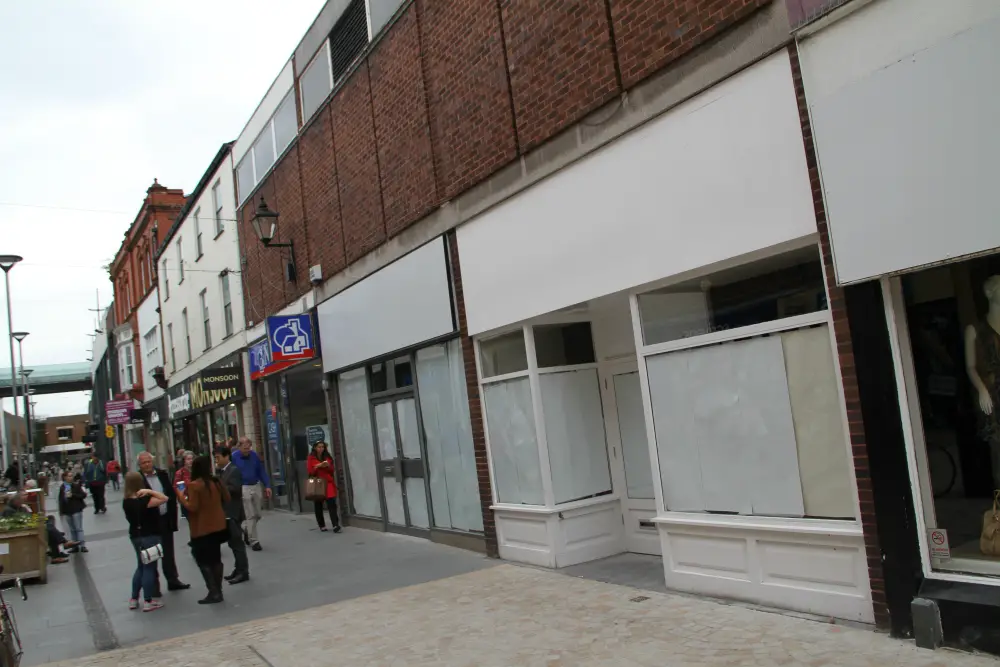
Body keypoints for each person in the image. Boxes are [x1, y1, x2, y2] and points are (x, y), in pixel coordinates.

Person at [175, 455, 230, 604]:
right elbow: (227, 498)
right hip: (218, 526)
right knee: (216, 558)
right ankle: (218, 590)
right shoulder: (216, 481)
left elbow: (192, 507)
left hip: (201, 528)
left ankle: (213, 591)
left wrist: (181, 496)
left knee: (203, 560)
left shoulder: (194, 485)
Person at [136, 452, 190, 592]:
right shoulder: (138, 479)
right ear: (139, 465)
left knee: (168, 552)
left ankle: (173, 580)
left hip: (165, 518)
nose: (147, 465)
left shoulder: (162, 474)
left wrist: (173, 514)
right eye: (144, 463)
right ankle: (154, 587)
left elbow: (170, 494)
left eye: (149, 461)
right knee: (152, 555)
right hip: (149, 522)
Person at [122, 471, 168, 612]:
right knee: (149, 567)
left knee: (140, 566)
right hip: (149, 535)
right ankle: (148, 600)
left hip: (135, 535)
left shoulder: (126, 501)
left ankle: (134, 599)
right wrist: (149, 490)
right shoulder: (145, 500)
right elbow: (164, 498)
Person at [213, 446, 249, 584]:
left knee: (237, 543)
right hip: (225, 512)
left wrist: (219, 487)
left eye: (218, 457)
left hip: (233, 511)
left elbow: (234, 489)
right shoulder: (221, 471)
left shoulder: (233, 470)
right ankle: (238, 568)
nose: (216, 460)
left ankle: (243, 571)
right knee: (232, 543)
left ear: (226, 456)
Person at [232, 437, 271, 551]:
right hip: (244, 487)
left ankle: (246, 529)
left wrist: (267, 485)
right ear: (239, 447)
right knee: (250, 515)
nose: (247, 450)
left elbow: (261, 471)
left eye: (248, 447)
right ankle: (254, 541)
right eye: (244, 448)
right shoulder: (234, 457)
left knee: (258, 514)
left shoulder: (254, 456)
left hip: (256, 485)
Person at [306, 441, 341, 533]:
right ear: (314, 448)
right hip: (318, 482)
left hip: (328, 482)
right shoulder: (311, 458)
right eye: (319, 447)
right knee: (318, 504)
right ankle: (322, 525)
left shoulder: (327, 457)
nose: (321, 449)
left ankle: (335, 524)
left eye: (322, 447)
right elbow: (310, 471)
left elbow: (332, 470)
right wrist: (317, 467)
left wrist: (327, 466)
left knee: (331, 503)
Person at [57, 472, 87, 553]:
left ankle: (82, 545)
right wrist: (61, 511)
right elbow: (60, 500)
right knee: (72, 529)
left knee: (78, 528)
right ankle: (75, 546)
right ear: (65, 477)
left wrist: (73, 495)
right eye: (69, 476)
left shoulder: (76, 485)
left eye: (71, 476)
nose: (71, 477)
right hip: (67, 510)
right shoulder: (62, 487)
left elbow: (83, 495)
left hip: (76, 509)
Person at [173, 451, 193, 520]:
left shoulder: (196, 471)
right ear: (184, 461)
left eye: (192, 459)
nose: (191, 461)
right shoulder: (180, 473)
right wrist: (184, 499)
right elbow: (177, 487)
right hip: (187, 501)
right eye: (188, 459)